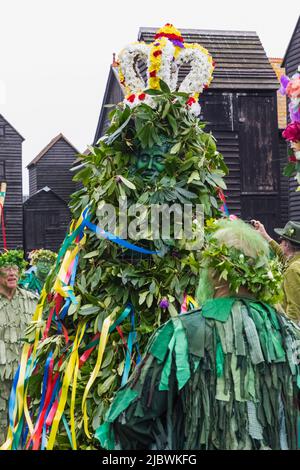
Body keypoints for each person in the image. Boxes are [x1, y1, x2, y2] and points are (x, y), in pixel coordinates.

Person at [96, 219, 299, 450]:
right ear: (262, 272)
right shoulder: (291, 333)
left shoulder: (181, 333)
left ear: (212, 272)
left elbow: (128, 419)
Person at [0, 250, 38, 444]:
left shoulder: (33, 301)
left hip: (27, 377)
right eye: (6, 267)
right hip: (0, 382)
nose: (12, 272)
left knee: (25, 426)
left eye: (15, 267)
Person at [252, 220, 300, 323]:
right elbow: (282, 255)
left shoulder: (292, 270)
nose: (279, 243)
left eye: (281, 241)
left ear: (286, 244)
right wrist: (265, 235)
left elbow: (294, 308)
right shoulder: (295, 261)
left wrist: (290, 332)